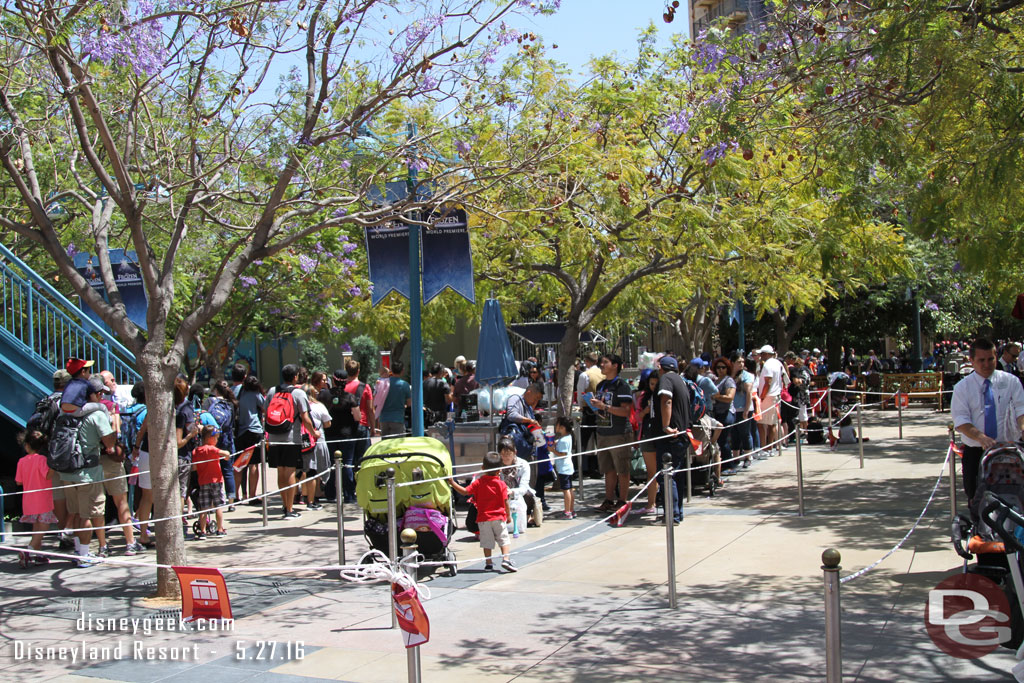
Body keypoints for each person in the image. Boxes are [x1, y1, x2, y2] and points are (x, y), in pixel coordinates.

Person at [951, 338, 1024, 501]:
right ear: (971, 361)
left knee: (1013, 498)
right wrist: (981, 438)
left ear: (996, 357)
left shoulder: (1011, 382)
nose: (986, 364)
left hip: (1008, 450)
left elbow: (1021, 410)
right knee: (976, 498)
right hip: (977, 452)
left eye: (990, 359)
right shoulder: (962, 388)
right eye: (981, 360)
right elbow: (961, 420)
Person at [61, 377, 115, 566]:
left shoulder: (65, 415)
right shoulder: (97, 415)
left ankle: (79, 551)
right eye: (99, 393)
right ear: (90, 395)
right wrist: (113, 423)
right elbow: (110, 443)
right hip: (88, 472)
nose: (101, 396)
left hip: (67, 472)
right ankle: (84, 557)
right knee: (87, 515)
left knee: (75, 512)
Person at [448, 451, 517, 573]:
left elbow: (464, 491)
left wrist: (452, 482)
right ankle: (505, 559)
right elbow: (505, 501)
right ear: (499, 471)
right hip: (498, 517)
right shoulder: (501, 484)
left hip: (483, 519)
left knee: (486, 541)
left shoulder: (478, 483)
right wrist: (508, 515)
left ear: (483, 468)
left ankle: (488, 563)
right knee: (503, 539)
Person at [265, 364, 317, 518]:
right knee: (290, 472)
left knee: (280, 472)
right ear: (295, 377)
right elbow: (305, 417)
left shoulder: (272, 391)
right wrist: (314, 433)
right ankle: (289, 509)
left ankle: (284, 504)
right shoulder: (298, 393)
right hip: (291, 438)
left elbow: (266, 412)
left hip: (274, 437)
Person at [590, 353, 634, 513]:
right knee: (608, 469)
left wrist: (604, 407)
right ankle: (609, 499)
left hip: (619, 433)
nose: (601, 365)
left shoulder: (621, 385)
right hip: (602, 432)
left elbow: (626, 411)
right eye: (601, 362)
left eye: (605, 362)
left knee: (622, 468)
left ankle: (622, 500)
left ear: (615, 365)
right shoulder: (601, 385)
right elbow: (600, 407)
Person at [652, 355, 690, 524]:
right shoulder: (680, 380)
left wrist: (666, 426)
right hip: (681, 435)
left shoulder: (666, 379)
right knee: (676, 476)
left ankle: (672, 515)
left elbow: (666, 400)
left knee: (667, 476)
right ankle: (676, 513)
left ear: (661, 368)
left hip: (670, 437)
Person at [15, 429, 56, 567]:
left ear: (27, 445)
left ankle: (38, 554)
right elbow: (48, 475)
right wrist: (54, 467)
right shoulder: (42, 460)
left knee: (36, 527)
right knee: (43, 525)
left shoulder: (21, 461)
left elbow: (18, 481)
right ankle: (29, 550)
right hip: (43, 499)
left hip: (29, 500)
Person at [191, 425, 230, 539]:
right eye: (216, 438)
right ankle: (220, 528)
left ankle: (202, 531)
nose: (217, 440)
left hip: (203, 481)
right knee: (218, 505)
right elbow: (226, 454)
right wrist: (226, 455)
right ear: (209, 438)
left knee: (203, 507)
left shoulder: (196, 451)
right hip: (216, 481)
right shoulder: (212, 449)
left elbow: (194, 468)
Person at [497, 436, 538, 531]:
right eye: (503, 454)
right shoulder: (496, 465)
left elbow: (523, 487)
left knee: (528, 495)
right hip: (501, 494)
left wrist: (511, 491)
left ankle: (526, 516)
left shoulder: (523, 464)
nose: (506, 457)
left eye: (509, 454)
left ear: (515, 452)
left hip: (517, 494)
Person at [236, 374, 266, 503]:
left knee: (239, 465)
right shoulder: (256, 395)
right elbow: (265, 407)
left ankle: (235, 496)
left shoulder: (239, 394)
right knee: (254, 465)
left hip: (241, 432)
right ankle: (253, 495)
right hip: (255, 431)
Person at [301, 383, 332, 510]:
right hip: (317, 440)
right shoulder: (319, 406)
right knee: (315, 470)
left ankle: (303, 496)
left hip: (301, 441)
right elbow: (327, 423)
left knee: (304, 470)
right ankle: (313, 499)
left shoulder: (298, 406)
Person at [635, 369, 660, 514]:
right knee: (652, 472)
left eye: (657, 384)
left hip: (663, 435)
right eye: (651, 384)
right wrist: (645, 411)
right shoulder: (644, 397)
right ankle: (651, 504)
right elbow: (637, 418)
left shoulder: (665, 395)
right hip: (648, 435)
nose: (654, 387)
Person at [756, 345, 788, 456]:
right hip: (775, 396)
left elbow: (768, 382)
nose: (761, 356)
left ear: (766, 354)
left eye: (762, 354)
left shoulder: (768, 365)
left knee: (761, 423)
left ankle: (765, 448)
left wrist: (762, 397)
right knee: (772, 424)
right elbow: (785, 377)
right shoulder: (778, 363)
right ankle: (769, 448)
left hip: (768, 397)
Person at [711, 357, 736, 474]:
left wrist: (716, 396)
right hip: (717, 413)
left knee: (723, 440)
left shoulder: (728, 380)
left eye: (723, 367)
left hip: (727, 413)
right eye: (718, 367)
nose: (720, 370)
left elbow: (730, 397)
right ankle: (723, 465)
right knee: (719, 441)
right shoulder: (715, 381)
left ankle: (730, 465)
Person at [729, 352, 754, 467]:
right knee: (734, 434)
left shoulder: (746, 376)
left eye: (742, 362)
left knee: (745, 433)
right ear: (733, 363)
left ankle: (747, 457)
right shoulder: (729, 375)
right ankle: (735, 457)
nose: (741, 364)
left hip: (743, 408)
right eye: (739, 362)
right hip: (732, 409)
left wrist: (746, 410)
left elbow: (749, 392)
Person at [550, 417, 576, 518]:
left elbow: (563, 453)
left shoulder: (564, 441)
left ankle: (567, 511)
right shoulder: (567, 437)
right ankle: (571, 509)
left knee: (566, 490)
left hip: (564, 468)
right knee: (569, 489)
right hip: (567, 467)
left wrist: (552, 450)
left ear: (562, 427)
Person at [379, 360, 412, 436]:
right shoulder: (405, 385)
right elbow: (409, 403)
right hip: (398, 418)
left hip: (384, 418)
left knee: (386, 445)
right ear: (402, 370)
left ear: (391, 370)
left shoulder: (384, 383)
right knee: (397, 445)